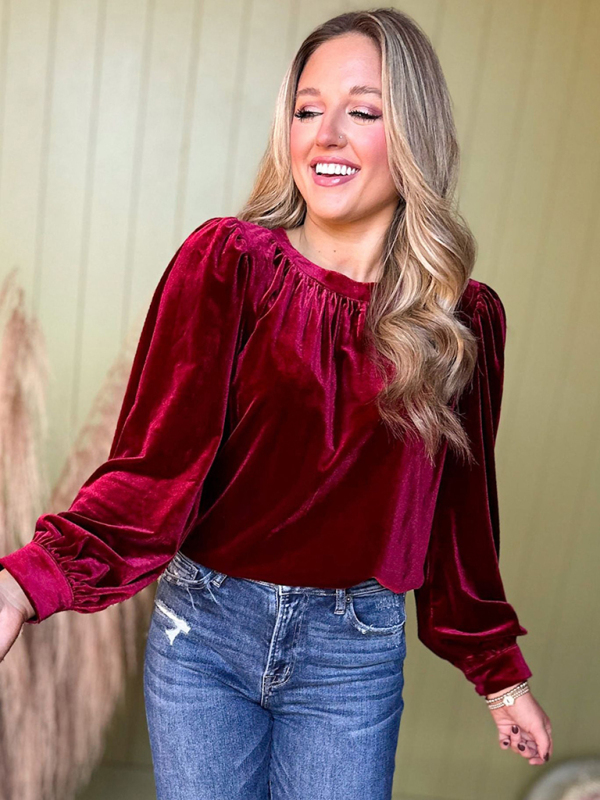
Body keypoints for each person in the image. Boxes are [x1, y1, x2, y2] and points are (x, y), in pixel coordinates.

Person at [0, 8, 553, 799]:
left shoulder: (461, 322)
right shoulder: (227, 265)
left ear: (415, 136)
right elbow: (152, 473)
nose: (326, 135)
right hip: (204, 633)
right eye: (306, 109)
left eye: (362, 112)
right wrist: (24, 583)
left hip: (351, 655)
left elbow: (461, 527)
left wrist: (500, 677)